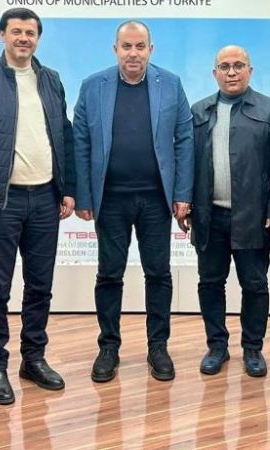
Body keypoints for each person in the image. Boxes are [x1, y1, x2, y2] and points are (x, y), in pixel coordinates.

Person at [0, 7, 75, 405]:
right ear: (2, 34)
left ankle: (33, 358)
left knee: (40, 286)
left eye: (30, 32)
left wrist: (68, 188)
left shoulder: (51, 79)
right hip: (0, 202)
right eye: (16, 31)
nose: (24, 38)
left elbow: (64, 135)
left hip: (45, 199)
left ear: (38, 38)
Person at [73, 20, 193, 383]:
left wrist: (182, 193)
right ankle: (108, 347)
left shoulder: (170, 83)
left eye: (140, 46)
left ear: (150, 50)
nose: (133, 53)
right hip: (110, 199)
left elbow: (185, 138)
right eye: (126, 46)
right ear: (115, 49)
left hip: (156, 199)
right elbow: (81, 143)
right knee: (109, 274)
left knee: (158, 273)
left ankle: (158, 347)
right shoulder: (92, 86)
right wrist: (84, 195)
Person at [182, 45, 270, 378]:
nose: (231, 72)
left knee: (255, 285)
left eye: (238, 65)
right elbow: (186, 161)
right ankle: (217, 346)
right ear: (214, 72)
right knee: (210, 283)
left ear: (250, 70)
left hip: (254, 217)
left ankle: (253, 348)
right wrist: (183, 201)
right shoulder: (199, 111)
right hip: (208, 216)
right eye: (225, 66)